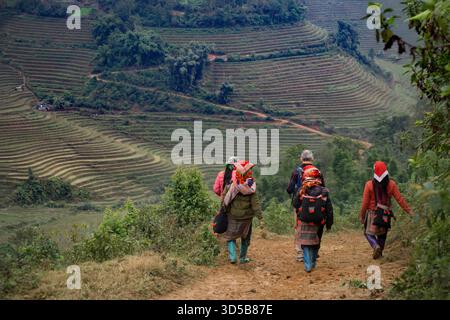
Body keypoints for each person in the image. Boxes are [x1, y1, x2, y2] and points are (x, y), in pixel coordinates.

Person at [359, 161, 413, 259]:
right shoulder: (391, 184)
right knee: (382, 235)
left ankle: (375, 246)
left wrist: (362, 216)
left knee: (367, 233)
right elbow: (400, 200)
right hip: (385, 214)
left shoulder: (369, 185)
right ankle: (380, 253)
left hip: (373, 214)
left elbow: (365, 203)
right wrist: (409, 211)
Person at [286, 150, 325, 262]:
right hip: (317, 202)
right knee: (316, 224)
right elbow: (323, 187)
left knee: (299, 226)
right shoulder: (317, 171)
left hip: (300, 203)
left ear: (301, 158)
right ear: (312, 159)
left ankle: (300, 253)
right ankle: (314, 250)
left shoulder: (297, 171)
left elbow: (289, 189)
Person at [222, 160, 263, 264]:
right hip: (247, 218)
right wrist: (260, 217)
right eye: (249, 171)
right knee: (245, 238)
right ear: (246, 173)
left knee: (231, 236)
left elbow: (225, 200)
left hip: (233, 215)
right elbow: (255, 204)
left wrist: (223, 211)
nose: (251, 172)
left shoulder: (232, 185)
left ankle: (232, 257)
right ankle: (242, 258)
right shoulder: (251, 187)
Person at [295, 166, 333, 272]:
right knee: (316, 241)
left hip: (304, 220)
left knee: (305, 242)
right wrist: (329, 224)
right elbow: (329, 209)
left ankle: (307, 265)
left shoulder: (302, 190)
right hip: (319, 222)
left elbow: (295, 204)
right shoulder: (324, 191)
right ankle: (313, 262)